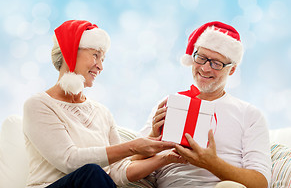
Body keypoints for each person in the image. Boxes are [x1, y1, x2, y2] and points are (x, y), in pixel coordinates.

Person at [23, 20, 185, 188]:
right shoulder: (38, 105)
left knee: (96, 175)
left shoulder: (102, 112)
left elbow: (117, 173)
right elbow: (69, 161)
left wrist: (166, 158)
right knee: (92, 173)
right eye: (95, 55)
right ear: (69, 52)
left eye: (103, 59)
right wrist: (133, 147)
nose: (100, 66)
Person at [140, 21, 272, 188]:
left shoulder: (249, 114)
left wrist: (211, 163)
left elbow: (261, 183)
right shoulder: (168, 104)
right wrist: (153, 135)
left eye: (216, 63)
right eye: (201, 58)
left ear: (231, 69)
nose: (205, 68)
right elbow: (129, 163)